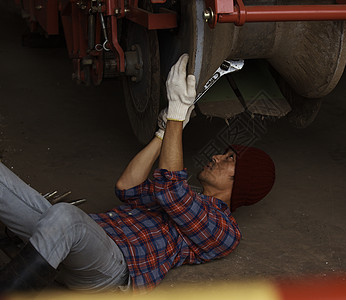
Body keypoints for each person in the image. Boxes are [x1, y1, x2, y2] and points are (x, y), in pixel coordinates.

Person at [0, 54, 275, 292]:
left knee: (65, 215)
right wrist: (164, 129)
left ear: (242, 182)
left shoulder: (225, 231)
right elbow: (127, 187)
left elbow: (171, 192)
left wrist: (179, 114)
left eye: (229, 159)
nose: (217, 157)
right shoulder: (186, 197)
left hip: (110, 268)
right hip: (69, 243)